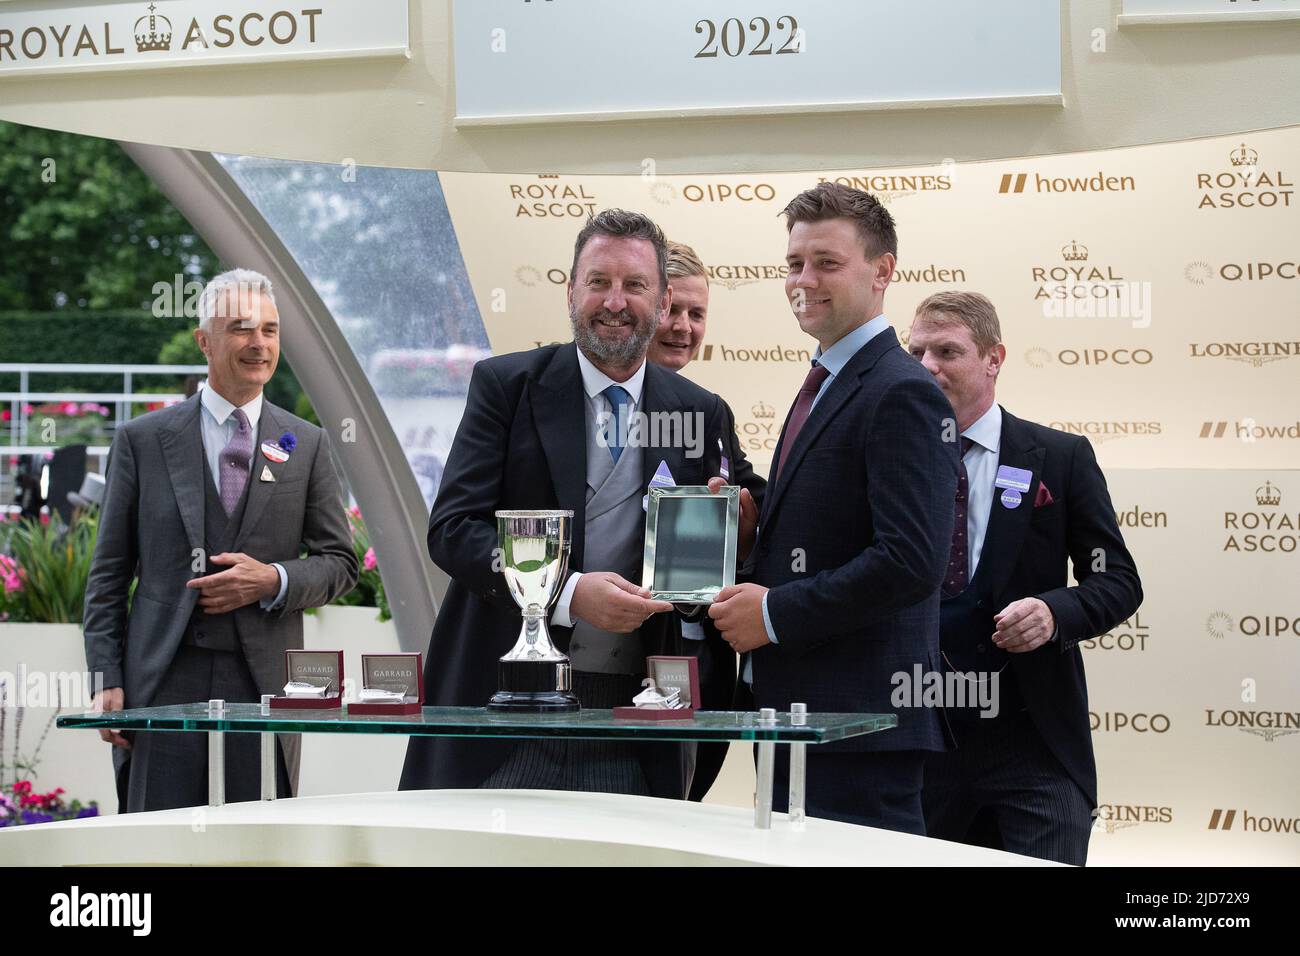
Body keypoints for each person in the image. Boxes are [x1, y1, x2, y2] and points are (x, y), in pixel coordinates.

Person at [398, 210, 741, 799]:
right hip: (505, 702)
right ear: (571, 292)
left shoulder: (700, 409)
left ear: (660, 303)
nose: (615, 301)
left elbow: (735, 515)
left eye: (635, 285)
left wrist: (737, 522)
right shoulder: (507, 386)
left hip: (637, 718)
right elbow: (454, 530)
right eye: (599, 281)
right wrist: (566, 591)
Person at [709, 183, 958, 834]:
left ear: (883, 272)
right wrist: (757, 524)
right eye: (794, 263)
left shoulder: (902, 391)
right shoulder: (831, 377)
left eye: (827, 262)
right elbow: (841, 529)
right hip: (802, 719)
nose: (804, 280)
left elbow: (911, 561)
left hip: (859, 729)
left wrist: (773, 612)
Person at [83, 269, 359, 812]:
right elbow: (108, 574)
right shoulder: (142, 441)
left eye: (271, 330)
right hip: (160, 681)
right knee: (156, 841)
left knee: (257, 840)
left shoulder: (306, 443)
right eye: (240, 328)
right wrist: (105, 679)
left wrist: (272, 579)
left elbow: (340, 562)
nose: (259, 343)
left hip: (266, 685)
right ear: (204, 340)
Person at [907, 291, 1142, 865]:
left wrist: (1054, 612)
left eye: (946, 351)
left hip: (1034, 741)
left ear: (994, 358)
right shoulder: (890, 460)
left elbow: (1117, 580)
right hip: (919, 740)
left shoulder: (1058, 457)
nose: (927, 366)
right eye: (915, 353)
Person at [646, 240, 766, 802]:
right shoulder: (581, 409)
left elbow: (751, 509)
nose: (683, 327)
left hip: (703, 664)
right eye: (672, 310)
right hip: (620, 665)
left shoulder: (709, 409)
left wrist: (746, 534)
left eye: (697, 314)